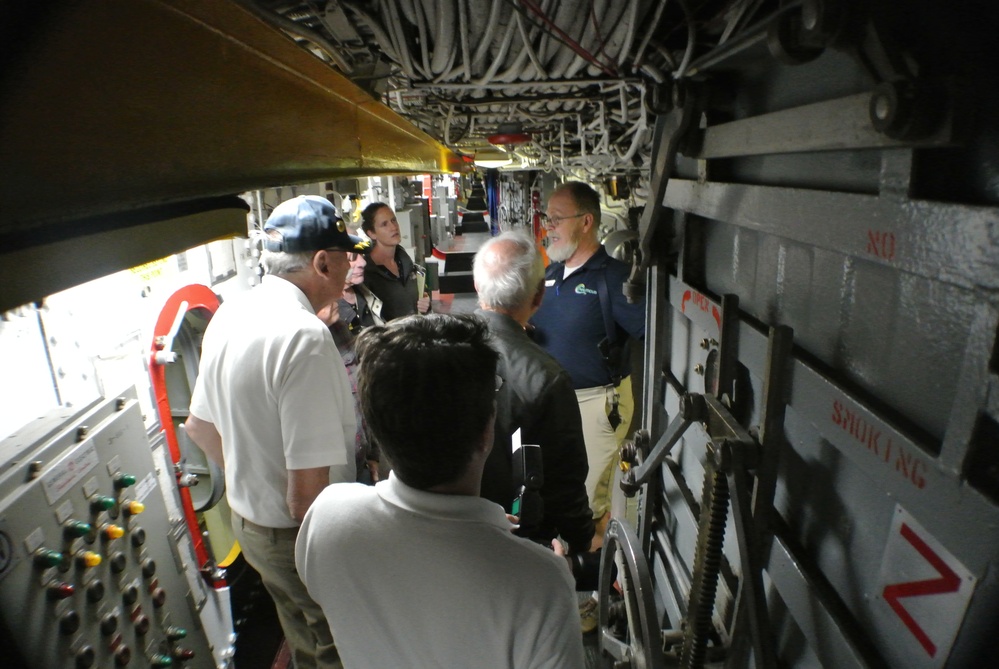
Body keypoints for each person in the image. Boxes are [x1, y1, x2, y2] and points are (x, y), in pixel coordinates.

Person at [296, 314, 585, 669]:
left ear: (373, 424)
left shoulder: (326, 518)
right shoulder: (541, 584)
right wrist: (541, 570)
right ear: (486, 432)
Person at [185, 194, 371, 669]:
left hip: (253, 529)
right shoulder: (303, 337)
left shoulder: (230, 312)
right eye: (347, 256)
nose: (352, 266)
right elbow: (305, 500)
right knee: (342, 645)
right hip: (298, 536)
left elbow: (199, 427)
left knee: (302, 637)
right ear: (322, 262)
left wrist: (252, 475)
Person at [530, 181, 646, 528]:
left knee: (591, 497)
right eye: (546, 218)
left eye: (557, 219)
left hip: (596, 404)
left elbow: (652, 333)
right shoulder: (548, 275)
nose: (548, 227)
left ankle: (598, 568)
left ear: (586, 222)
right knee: (560, 489)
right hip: (553, 403)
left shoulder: (614, 279)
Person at [472, 231, 594, 555]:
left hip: (439, 530)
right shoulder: (547, 378)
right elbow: (566, 483)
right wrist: (580, 543)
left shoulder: (435, 349)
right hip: (516, 542)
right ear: (538, 296)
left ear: (477, 286)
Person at [360, 201, 431, 320]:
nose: (393, 227)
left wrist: (426, 304)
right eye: (384, 224)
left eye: (393, 220)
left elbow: (421, 298)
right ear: (372, 234)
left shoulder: (408, 265)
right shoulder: (367, 275)